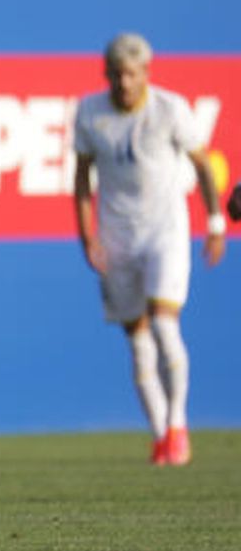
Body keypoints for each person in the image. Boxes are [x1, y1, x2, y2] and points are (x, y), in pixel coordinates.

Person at [73, 33, 227, 466]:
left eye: (133, 73)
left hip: (166, 229)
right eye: (118, 74)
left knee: (164, 325)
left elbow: (201, 164)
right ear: (107, 74)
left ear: (146, 74)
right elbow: (82, 179)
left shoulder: (169, 109)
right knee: (138, 341)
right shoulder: (89, 113)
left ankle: (178, 425)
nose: (125, 82)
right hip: (117, 234)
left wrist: (215, 223)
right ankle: (161, 437)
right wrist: (88, 235)